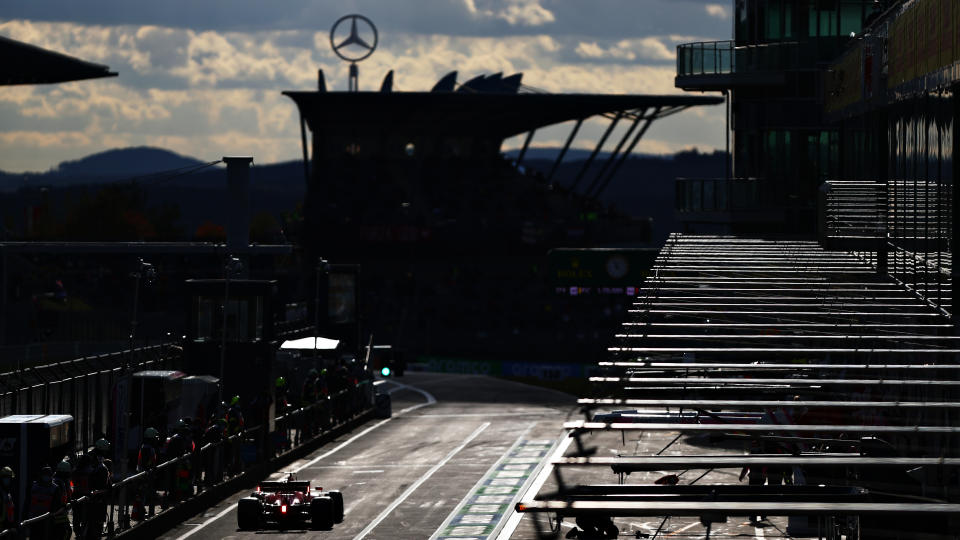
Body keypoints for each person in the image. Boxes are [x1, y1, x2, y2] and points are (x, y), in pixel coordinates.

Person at [29, 465, 66, 540]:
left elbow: (57, 504)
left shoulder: (55, 488)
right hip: (33, 518)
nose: (46, 477)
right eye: (44, 475)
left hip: (47, 519)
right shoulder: (33, 486)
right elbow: (28, 501)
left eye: (48, 475)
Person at [132, 427, 160, 521]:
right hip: (143, 475)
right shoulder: (147, 448)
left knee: (143, 494)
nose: (156, 439)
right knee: (142, 494)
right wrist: (150, 469)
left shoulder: (146, 447)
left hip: (144, 474)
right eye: (155, 437)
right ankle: (140, 514)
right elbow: (146, 462)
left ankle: (141, 512)